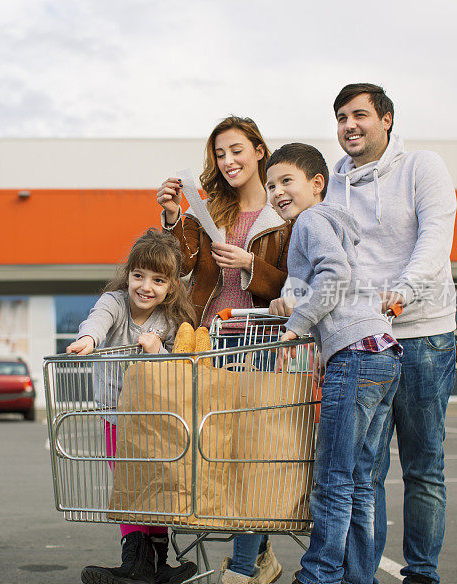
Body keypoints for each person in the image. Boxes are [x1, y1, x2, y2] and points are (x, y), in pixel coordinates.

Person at [326, 83, 457, 584]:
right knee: (367, 472)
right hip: (365, 343)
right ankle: (363, 572)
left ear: (386, 119)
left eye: (360, 114)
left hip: (423, 335)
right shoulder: (331, 185)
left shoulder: (423, 167)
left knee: (424, 466)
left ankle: (422, 572)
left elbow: (434, 238)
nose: (349, 125)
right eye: (340, 117)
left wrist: (402, 290)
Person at [157, 116, 291, 584]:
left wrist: (252, 264)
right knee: (217, 453)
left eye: (236, 150)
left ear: (259, 150)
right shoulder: (213, 210)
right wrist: (175, 217)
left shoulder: (285, 212)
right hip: (210, 340)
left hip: (260, 342)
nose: (228, 161)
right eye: (219, 154)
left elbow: (298, 283)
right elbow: (179, 264)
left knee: (250, 455)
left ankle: (241, 567)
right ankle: (261, 555)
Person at [265, 142, 402, 584]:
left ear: (317, 184)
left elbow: (335, 275)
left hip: (356, 356)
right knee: (361, 482)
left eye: (287, 181)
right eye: (270, 185)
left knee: (334, 480)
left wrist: (297, 325)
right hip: (382, 352)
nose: (277, 192)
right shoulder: (331, 224)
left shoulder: (310, 219)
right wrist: (289, 302)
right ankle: (358, 577)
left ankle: (319, 576)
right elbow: (330, 277)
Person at [69, 228, 199, 584]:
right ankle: (135, 562)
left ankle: (155, 563)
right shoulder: (115, 303)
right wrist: (88, 339)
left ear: (171, 286)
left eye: (158, 280)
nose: (146, 286)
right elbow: (98, 318)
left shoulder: (170, 321)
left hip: (156, 421)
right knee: (130, 484)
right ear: (127, 276)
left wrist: (159, 352)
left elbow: (178, 366)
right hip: (117, 417)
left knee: (154, 486)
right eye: (139, 276)